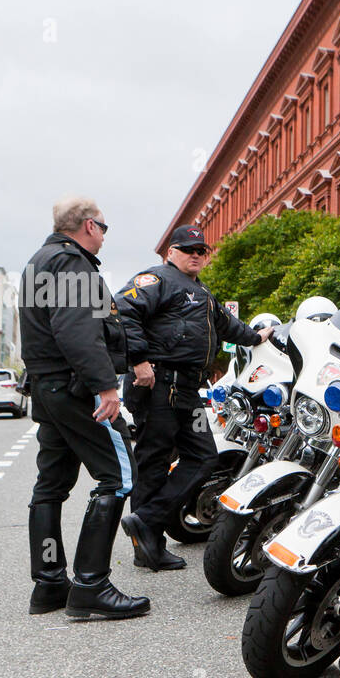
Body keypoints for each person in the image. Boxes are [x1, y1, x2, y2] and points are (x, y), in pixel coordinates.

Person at [19, 196, 150, 620]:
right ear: (89, 225)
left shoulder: (39, 261)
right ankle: (91, 584)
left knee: (51, 484)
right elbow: (77, 332)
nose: (105, 235)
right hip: (75, 387)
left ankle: (50, 583)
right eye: (105, 227)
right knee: (118, 475)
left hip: (47, 387)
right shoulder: (72, 263)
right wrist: (106, 387)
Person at [116, 224, 275, 571]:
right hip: (158, 383)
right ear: (170, 252)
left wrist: (259, 337)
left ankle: (146, 522)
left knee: (203, 456)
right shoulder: (156, 279)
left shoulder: (201, 292)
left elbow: (229, 326)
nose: (195, 254)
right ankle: (148, 546)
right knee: (154, 462)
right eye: (188, 249)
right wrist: (139, 360)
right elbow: (122, 311)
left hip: (187, 389)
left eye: (201, 250)